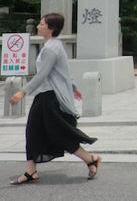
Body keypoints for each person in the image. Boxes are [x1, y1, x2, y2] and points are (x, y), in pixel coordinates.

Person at [9, 13, 101, 185]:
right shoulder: (54, 45)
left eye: (42, 24)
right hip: (44, 96)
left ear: (50, 28)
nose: (38, 26)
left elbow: (42, 75)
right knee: (33, 131)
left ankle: (90, 159)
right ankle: (31, 171)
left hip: (50, 98)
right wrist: (73, 87)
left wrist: (22, 92)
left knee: (59, 134)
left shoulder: (52, 48)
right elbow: (63, 70)